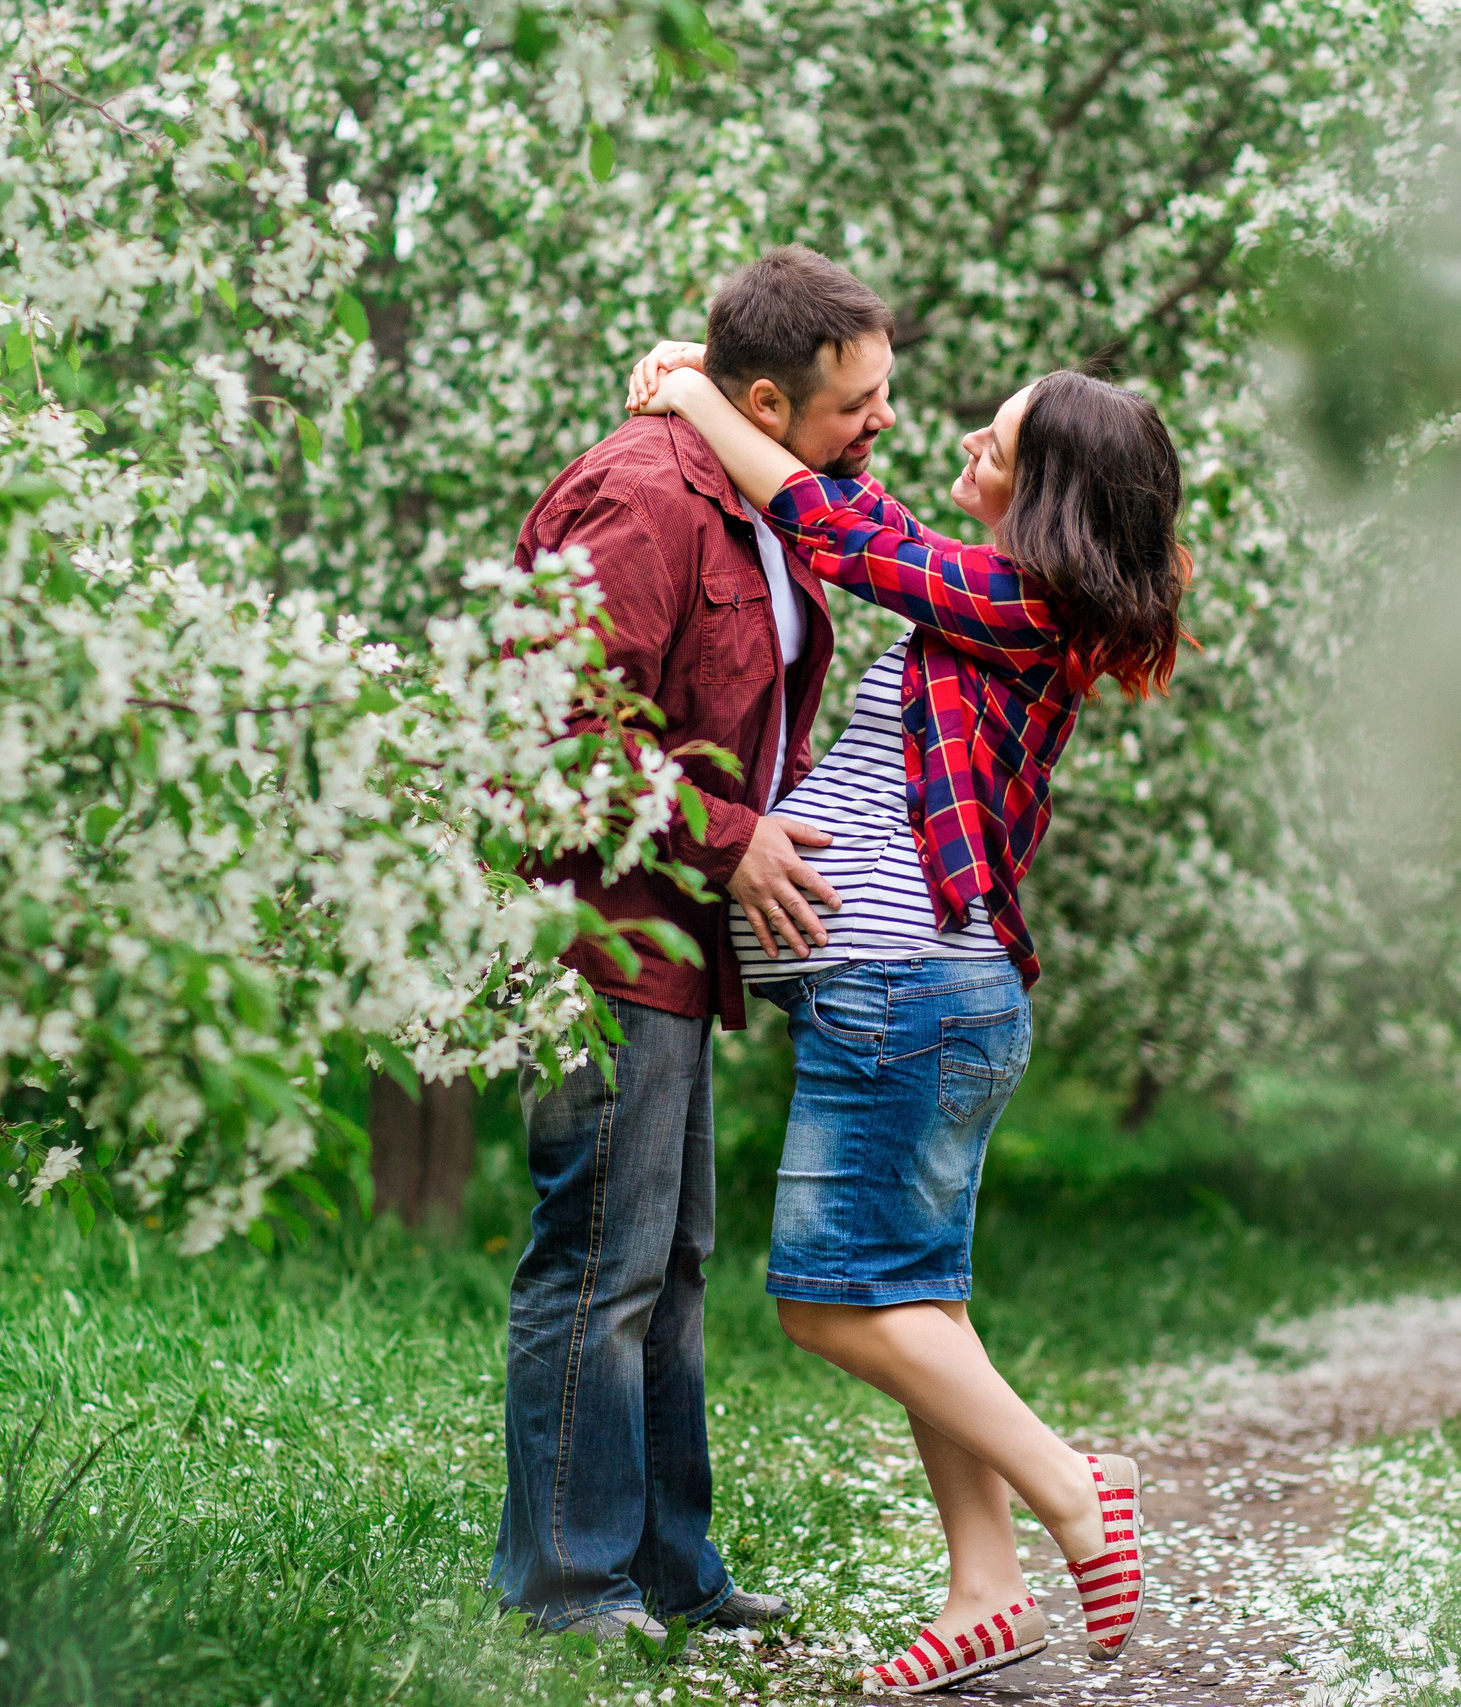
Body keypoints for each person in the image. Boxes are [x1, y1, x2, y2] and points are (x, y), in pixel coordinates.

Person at [628, 343, 1192, 1692]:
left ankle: (1072, 1484)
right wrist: (749, 385)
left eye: (995, 444)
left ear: (1044, 492)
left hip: (906, 993)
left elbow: (835, 530)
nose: (964, 449)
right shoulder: (1010, 600)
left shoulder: (1019, 603)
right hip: (930, 998)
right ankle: (985, 1591)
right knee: (917, 1297)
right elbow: (860, 507)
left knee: (831, 1304)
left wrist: (697, 399)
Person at [495, 248, 900, 1639]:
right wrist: (731, 839)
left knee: (668, 1269)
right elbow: (552, 734)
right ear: (773, 401)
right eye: (861, 402)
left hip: (679, 940)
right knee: (600, 1261)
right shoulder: (644, 498)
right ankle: (568, 1586)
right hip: (598, 937)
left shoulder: (752, 489)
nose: (881, 426)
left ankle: (673, 1568)